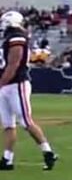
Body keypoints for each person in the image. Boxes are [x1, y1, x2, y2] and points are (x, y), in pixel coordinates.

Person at [0, 10, 57, 171]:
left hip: (16, 84)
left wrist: (1, 82)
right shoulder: (10, 38)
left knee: (25, 121)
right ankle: (7, 159)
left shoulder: (17, 38)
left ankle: (48, 152)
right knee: (8, 125)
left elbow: (13, 64)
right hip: (6, 85)